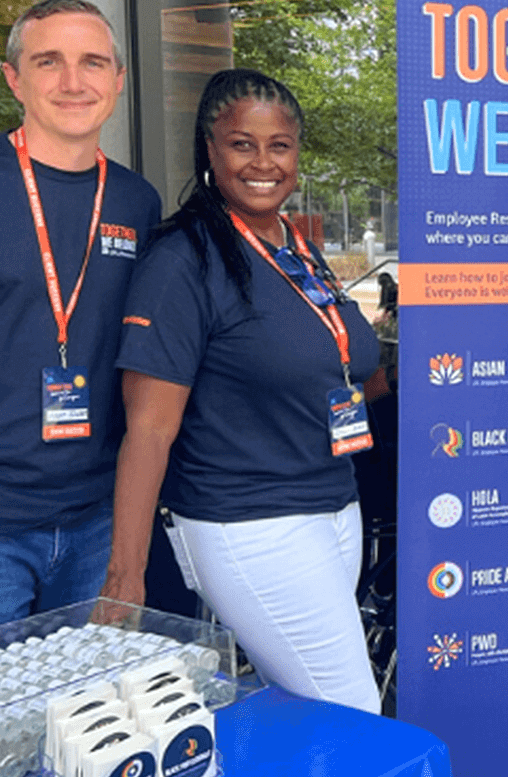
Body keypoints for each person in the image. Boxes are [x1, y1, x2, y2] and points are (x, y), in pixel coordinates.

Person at [101, 68, 385, 713]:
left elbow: (340, 366)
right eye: (242, 144)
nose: (263, 163)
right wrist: (127, 571)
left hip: (334, 509)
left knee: (309, 714)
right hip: (250, 524)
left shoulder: (296, 249)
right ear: (209, 149)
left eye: (279, 146)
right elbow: (148, 428)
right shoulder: (184, 261)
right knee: (354, 714)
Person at [0, 0, 160, 645]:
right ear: (14, 77)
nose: (74, 82)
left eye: (93, 62)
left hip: (91, 521)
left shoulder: (135, 199)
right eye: (50, 62)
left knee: (83, 730)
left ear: (118, 81)